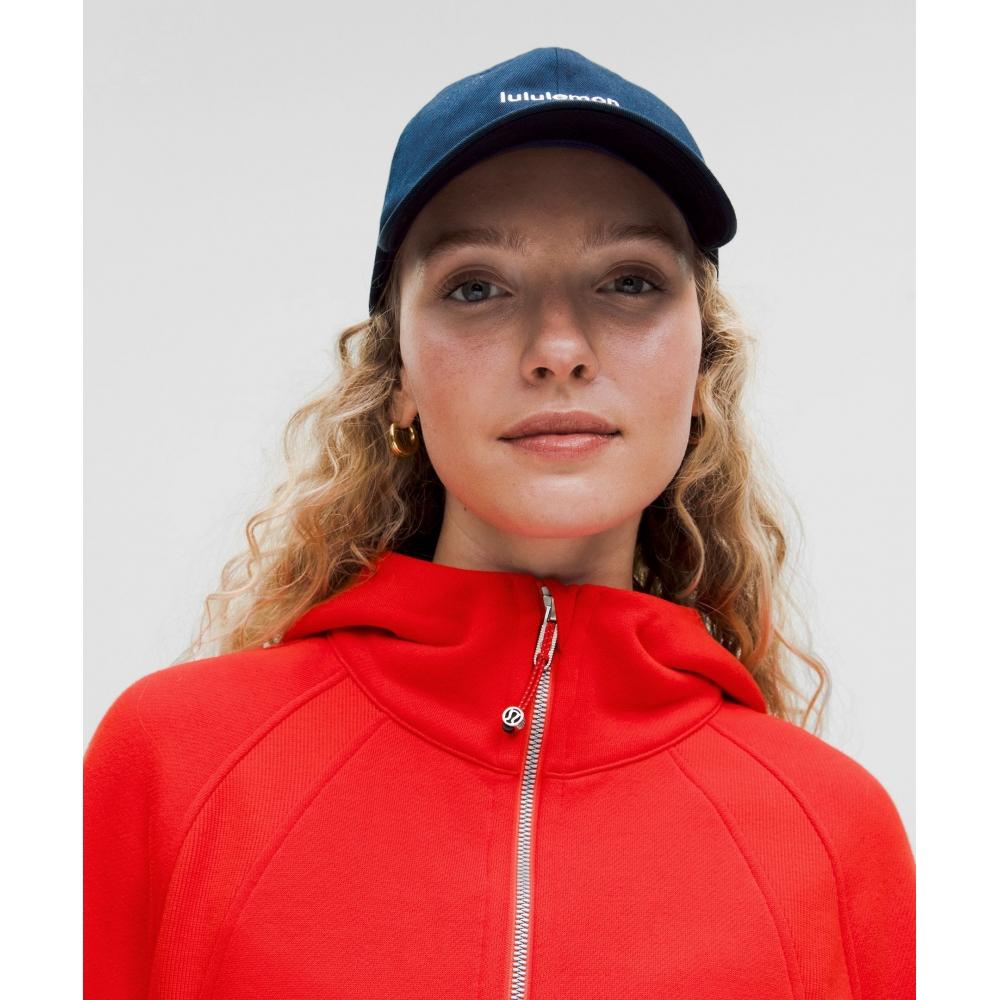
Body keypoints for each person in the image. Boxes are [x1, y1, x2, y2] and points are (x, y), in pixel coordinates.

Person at [84, 47, 915, 999]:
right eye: (477, 286)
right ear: (397, 374)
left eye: (629, 281)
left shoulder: (829, 837)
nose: (558, 349)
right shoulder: (175, 768)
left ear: (703, 368)